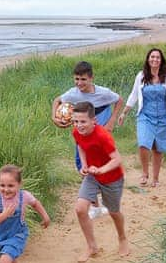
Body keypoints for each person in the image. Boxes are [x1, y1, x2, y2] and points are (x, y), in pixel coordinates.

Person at [52, 60, 123, 217]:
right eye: (76, 79)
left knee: (101, 163)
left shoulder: (103, 93)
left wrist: (111, 121)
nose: (79, 83)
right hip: (82, 134)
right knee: (82, 165)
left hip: (99, 133)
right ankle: (95, 205)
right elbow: (57, 100)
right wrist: (54, 118)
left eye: (83, 79)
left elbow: (119, 100)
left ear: (91, 78)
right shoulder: (73, 93)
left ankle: (103, 199)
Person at [70, 102, 129, 262]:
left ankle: (122, 238)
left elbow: (117, 159)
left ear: (94, 120)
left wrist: (101, 169)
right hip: (93, 176)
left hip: (112, 178)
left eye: (83, 121)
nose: (78, 125)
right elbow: (80, 146)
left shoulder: (103, 136)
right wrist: (84, 165)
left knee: (114, 212)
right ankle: (92, 246)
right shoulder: (76, 132)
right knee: (81, 209)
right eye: (75, 121)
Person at [117, 48, 166, 187]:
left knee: (157, 148)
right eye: (152, 57)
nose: (154, 59)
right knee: (143, 144)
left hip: (162, 116)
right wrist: (124, 112)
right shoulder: (141, 76)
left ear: (161, 60)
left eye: (157, 57)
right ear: (148, 59)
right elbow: (134, 95)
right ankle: (144, 173)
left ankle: (155, 178)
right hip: (145, 115)